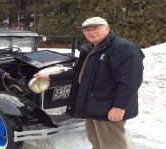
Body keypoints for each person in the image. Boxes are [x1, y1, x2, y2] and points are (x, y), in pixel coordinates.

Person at [34, 17, 144, 149]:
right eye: (87, 30)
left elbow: (130, 82)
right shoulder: (90, 48)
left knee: (112, 145)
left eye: (96, 28)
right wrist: (50, 77)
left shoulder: (123, 48)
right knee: (96, 141)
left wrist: (119, 107)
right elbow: (77, 72)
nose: (91, 32)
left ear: (107, 28)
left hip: (108, 107)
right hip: (92, 105)